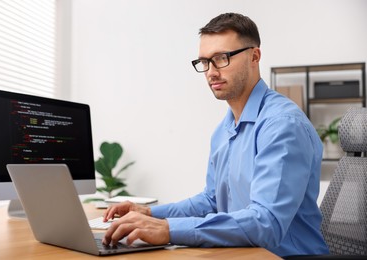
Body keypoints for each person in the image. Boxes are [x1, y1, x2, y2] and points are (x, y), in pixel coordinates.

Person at [102, 12, 329, 257]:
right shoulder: (224, 129)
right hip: (243, 254)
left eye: (221, 58)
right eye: (204, 61)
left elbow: (266, 224)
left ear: (254, 56)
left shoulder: (282, 125)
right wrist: (149, 214)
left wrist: (168, 229)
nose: (211, 71)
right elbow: (211, 202)